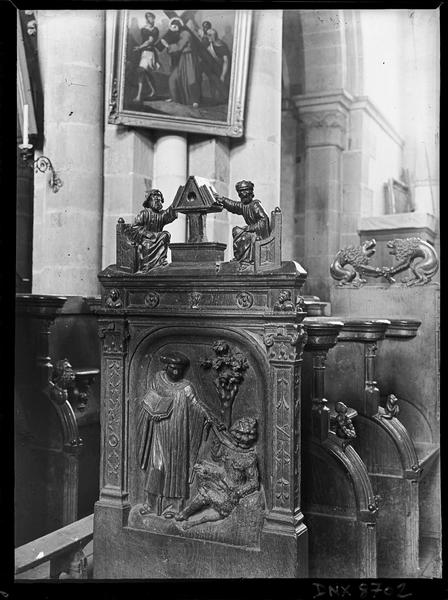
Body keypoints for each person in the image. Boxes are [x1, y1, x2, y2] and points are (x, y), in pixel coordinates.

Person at [136, 352, 213, 518]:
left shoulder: (186, 387)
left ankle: (173, 507)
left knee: (175, 468)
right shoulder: (157, 380)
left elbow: (196, 404)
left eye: (179, 369)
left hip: (178, 433)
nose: (176, 372)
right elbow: (149, 398)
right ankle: (151, 503)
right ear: (166, 367)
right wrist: (150, 412)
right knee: (157, 466)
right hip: (159, 428)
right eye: (173, 368)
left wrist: (208, 415)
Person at [175, 417, 259, 529]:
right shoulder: (229, 448)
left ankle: (192, 517)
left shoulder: (249, 458)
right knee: (202, 472)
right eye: (240, 434)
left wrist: (239, 492)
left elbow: (254, 483)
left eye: (246, 435)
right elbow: (216, 456)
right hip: (221, 482)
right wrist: (216, 440)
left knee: (208, 495)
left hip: (232, 493)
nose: (243, 439)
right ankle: (186, 513)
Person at [214, 180, 271, 268]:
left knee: (245, 237)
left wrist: (250, 228)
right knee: (236, 230)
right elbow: (234, 205)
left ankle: (246, 260)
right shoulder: (244, 205)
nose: (242, 194)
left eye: (244, 192)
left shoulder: (255, 205)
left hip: (258, 234)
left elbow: (264, 220)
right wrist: (223, 200)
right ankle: (240, 258)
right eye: (240, 193)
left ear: (250, 193)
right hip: (251, 231)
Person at [126, 188, 177, 272]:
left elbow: (169, 213)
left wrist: (175, 204)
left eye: (159, 197)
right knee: (148, 245)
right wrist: (146, 234)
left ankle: (161, 261)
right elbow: (135, 228)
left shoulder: (161, 214)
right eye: (155, 197)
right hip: (146, 239)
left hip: (158, 238)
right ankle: (147, 265)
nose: (157, 199)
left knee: (166, 234)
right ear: (149, 200)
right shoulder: (144, 213)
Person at [160, 18, 201, 108]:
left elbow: (179, 47)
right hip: (182, 58)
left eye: (174, 27)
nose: (172, 29)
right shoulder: (180, 34)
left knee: (191, 78)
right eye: (171, 27)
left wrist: (167, 45)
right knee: (173, 78)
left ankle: (194, 100)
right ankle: (174, 98)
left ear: (178, 25)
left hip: (189, 58)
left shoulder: (185, 33)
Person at [132, 12, 160, 102]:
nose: (149, 19)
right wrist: (141, 48)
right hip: (144, 52)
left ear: (154, 18)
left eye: (151, 17)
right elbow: (145, 41)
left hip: (150, 53)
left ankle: (139, 96)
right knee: (146, 74)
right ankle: (154, 92)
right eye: (147, 17)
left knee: (142, 71)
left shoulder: (155, 30)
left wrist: (139, 47)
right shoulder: (143, 29)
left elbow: (150, 41)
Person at [203, 28, 231, 103]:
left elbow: (226, 61)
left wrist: (223, 75)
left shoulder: (221, 46)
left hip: (221, 69)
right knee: (212, 83)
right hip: (212, 69)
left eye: (210, 35)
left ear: (214, 36)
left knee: (221, 86)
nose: (208, 37)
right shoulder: (209, 45)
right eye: (207, 35)